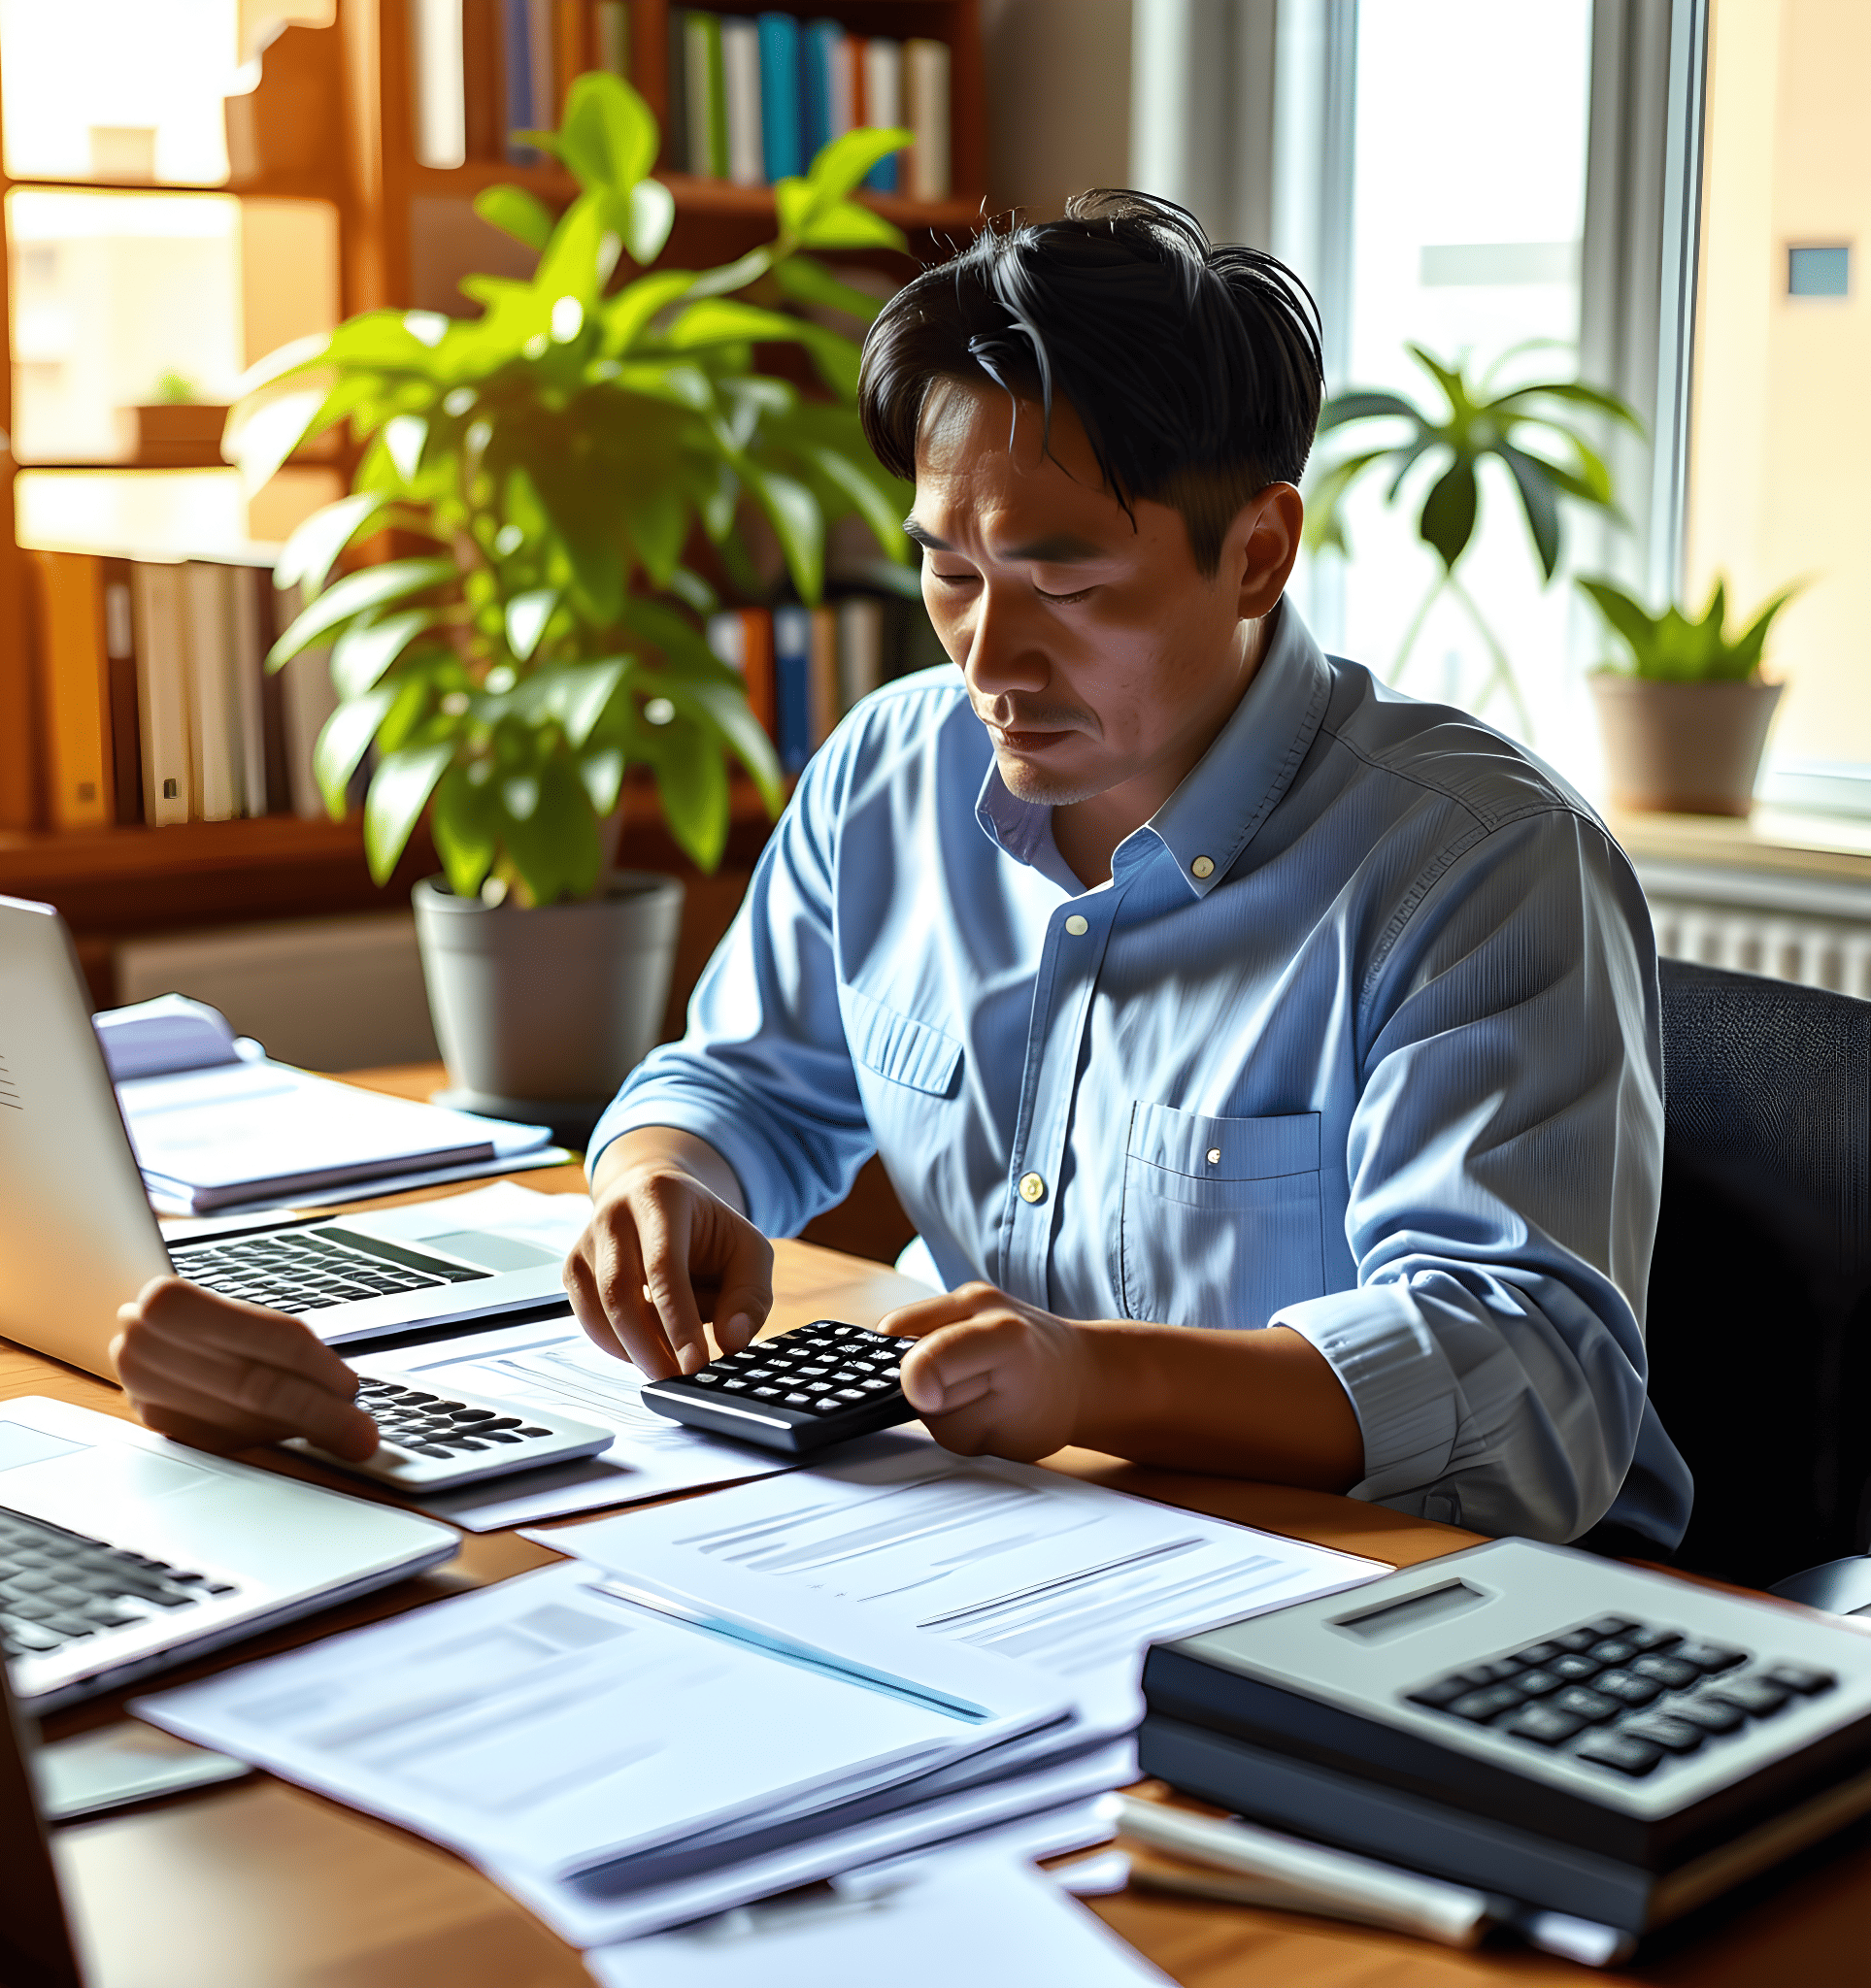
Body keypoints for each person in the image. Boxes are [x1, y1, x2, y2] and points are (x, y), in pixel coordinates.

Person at [114, 192, 1691, 1551]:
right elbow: (738, 1081)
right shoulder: (893, 772)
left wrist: (1095, 1379)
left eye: (1064, 576)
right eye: (950, 569)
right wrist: (666, 1180)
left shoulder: (1476, 866)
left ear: (1259, 552)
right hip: (994, 1541)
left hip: (1385, 1596)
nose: (991, 657)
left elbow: (1529, 1385)